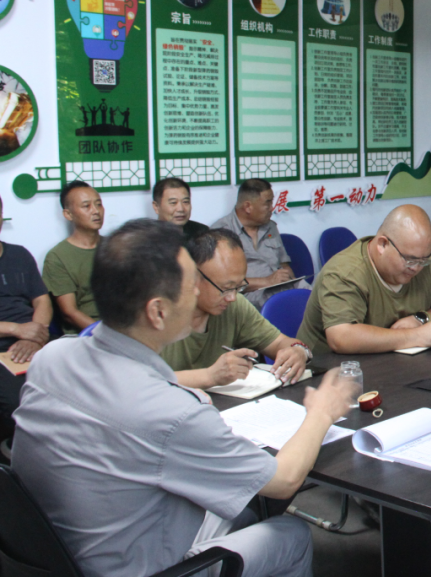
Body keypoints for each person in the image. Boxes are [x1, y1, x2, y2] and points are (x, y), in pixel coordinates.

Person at [12, 219, 359, 577]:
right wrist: (321, 411)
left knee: (241, 507)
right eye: (191, 285)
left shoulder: (53, 358)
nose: (198, 294)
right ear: (158, 311)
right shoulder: (169, 412)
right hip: (138, 564)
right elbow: (284, 479)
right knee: (292, 533)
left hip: (60, 551)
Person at [296, 205, 431, 354]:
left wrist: (420, 319)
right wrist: (416, 335)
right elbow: (341, 338)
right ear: (382, 244)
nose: (416, 268)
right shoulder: (345, 272)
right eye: (410, 260)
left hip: (390, 363)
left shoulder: (424, 263)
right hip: (329, 372)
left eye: (424, 259)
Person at [161, 228, 311, 389]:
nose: (232, 297)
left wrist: (298, 352)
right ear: (193, 275)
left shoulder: (233, 305)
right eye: (226, 288)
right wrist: (210, 376)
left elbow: (280, 342)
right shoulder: (161, 314)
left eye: (238, 287)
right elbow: (141, 384)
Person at [0, 193, 52, 444]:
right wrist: (17, 329)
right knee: (18, 402)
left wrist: (35, 336)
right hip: (4, 346)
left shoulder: (19, 255)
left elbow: (42, 300)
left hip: (36, 339)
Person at [212, 178, 302, 309]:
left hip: (281, 287)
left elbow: (284, 265)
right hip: (251, 295)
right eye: (267, 203)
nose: (272, 208)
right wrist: (266, 281)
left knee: (315, 295)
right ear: (248, 206)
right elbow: (221, 283)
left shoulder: (270, 227)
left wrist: (292, 281)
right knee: (282, 306)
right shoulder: (221, 233)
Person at [43, 181, 102, 333]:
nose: (96, 211)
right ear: (68, 214)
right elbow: (69, 312)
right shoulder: (57, 257)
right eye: (86, 206)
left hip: (125, 328)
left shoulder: (117, 247)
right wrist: (106, 335)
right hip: (87, 334)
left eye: (98, 204)